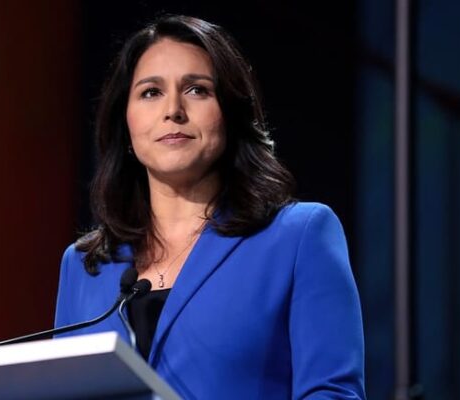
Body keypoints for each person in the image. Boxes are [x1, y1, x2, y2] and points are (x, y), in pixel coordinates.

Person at [55, 14, 365, 399]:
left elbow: (332, 393)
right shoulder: (85, 265)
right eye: (151, 92)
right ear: (127, 126)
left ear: (230, 115)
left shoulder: (299, 237)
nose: (173, 110)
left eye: (197, 90)